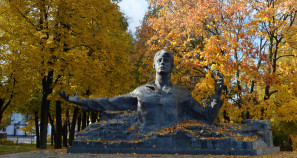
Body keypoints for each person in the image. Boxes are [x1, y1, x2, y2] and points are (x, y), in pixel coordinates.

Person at [59, 49, 224, 131]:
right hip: (142, 138)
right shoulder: (141, 92)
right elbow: (110, 102)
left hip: (175, 141)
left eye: (167, 60)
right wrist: (80, 101)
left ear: (172, 66)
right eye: (159, 59)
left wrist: (217, 95)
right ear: (153, 65)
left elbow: (206, 117)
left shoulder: (182, 93)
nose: (162, 62)